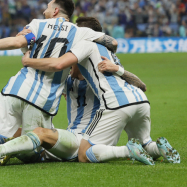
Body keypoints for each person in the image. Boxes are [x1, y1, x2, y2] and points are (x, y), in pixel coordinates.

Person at [0, 0, 118, 166]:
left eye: (47, 6)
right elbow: (112, 42)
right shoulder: (79, 33)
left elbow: (17, 42)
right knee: (33, 149)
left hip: (17, 88)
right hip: (42, 100)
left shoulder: (37, 24)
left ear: (55, 11)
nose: (44, 10)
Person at [0, 18, 158, 166]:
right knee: (19, 129)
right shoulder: (81, 72)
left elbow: (57, 64)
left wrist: (27, 61)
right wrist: (25, 44)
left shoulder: (91, 66)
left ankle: (0, 151)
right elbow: (51, 73)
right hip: (72, 135)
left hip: (82, 139)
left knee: (40, 133)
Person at [16, 17, 180, 165]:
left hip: (115, 103)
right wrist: (118, 69)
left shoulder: (84, 47)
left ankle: (127, 151)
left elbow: (59, 64)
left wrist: (28, 55)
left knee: (84, 153)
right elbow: (142, 85)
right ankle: (158, 150)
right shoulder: (107, 53)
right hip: (140, 100)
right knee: (145, 143)